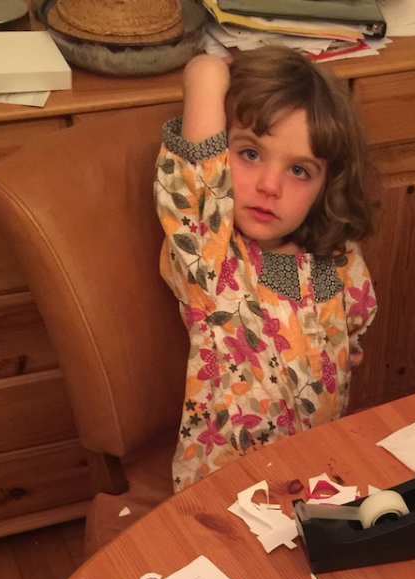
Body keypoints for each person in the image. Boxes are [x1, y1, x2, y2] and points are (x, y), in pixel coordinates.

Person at [155, 48, 378, 491]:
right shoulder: (212, 258)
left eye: (299, 170)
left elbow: (350, 338)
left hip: (315, 473)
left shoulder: (337, 258)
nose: (270, 186)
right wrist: (206, 71)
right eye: (250, 154)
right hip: (225, 490)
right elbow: (195, 181)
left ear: (325, 184)